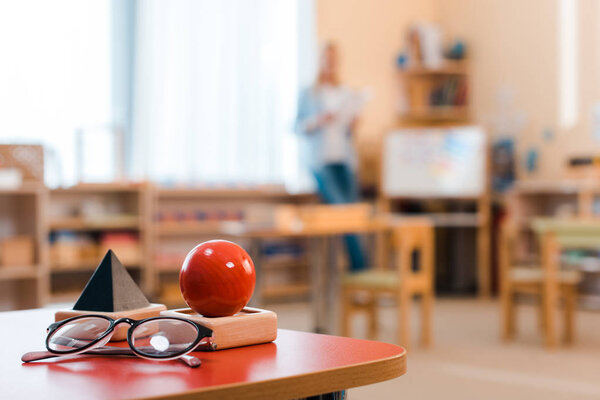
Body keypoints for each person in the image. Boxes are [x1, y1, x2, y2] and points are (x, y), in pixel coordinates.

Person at [295, 43, 367, 272]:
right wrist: (318, 120)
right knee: (341, 212)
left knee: (355, 216)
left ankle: (361, 273)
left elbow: (347, 134)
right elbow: (297, 127)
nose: (330, 63)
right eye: (326, 58)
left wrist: (353, 124)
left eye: (334, 59)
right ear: (320, 60)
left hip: (344, 160)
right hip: (321, 163)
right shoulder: (309, 93)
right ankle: (361, 271)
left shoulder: (345, 93)